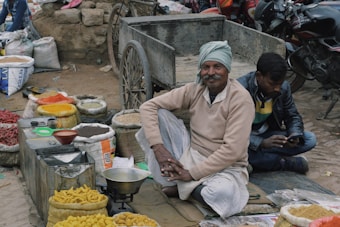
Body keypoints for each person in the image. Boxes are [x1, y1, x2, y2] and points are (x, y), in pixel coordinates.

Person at [136, 40, 255, 219]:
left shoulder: (240, 99)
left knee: (221, 195)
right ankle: (188, 188)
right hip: (192, 155)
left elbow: (232, 151)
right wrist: (159, 149)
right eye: (205, 67)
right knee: (159, 115)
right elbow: (147, 107)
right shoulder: (195, 89)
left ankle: (185, 189)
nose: (211, 73)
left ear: (227, 69)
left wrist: (191, 174)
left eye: (217, 67)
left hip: (225, 167)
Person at [237, 52, 317, 174]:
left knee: (309, 139)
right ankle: (281, 162)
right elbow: (231, 132)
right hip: (243, 139)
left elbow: (292, 115)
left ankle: (255, 160)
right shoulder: (239, 90)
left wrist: (294, 134)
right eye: (273, 84)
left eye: (280, 84)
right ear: (259, 76)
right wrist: (261, 143)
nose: (277, 89)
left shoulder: (284, 87)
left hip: (267, 135)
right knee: (231, 149)